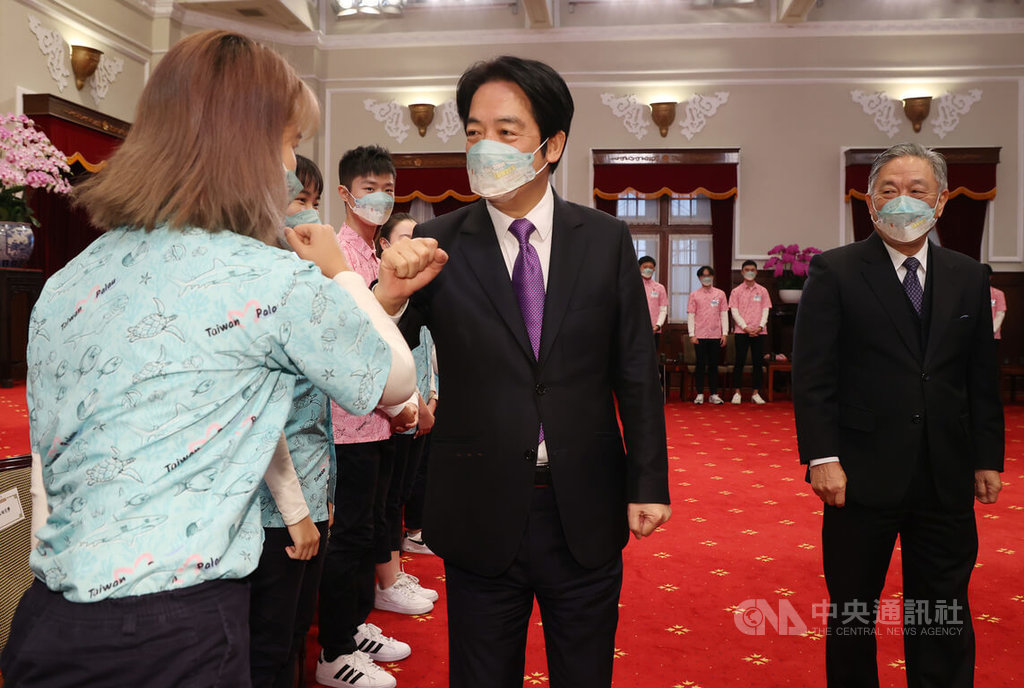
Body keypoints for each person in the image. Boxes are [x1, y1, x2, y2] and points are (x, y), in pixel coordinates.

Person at [0, 29, 433, 688]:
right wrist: (346, 276)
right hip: (175, 628)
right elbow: (396, 380)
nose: (290, 166)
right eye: (288, 143)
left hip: (49, 616)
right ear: (248, 149)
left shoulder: (69, 279)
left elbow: (49, 458)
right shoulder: (267, 278)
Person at [375, 55, 672, 688]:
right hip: (478, 503)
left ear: (552, 144)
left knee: (584, 672)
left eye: (506, 132)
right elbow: (377, 365)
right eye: (474, 132)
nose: (485, 146)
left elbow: (636, 370)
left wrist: (649, 481)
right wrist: (388, 297)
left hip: (584, 502)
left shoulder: (605, 239)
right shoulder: (436, 244)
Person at [792, 142, 1004, 688]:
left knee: (943, 608)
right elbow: (813, 374)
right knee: (854, 610)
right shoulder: (836, 270)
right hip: (858, 473)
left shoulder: (968, 274)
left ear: (941, 201)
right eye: (889, 190)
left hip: (945, 471)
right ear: (870, 202)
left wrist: (987, 458)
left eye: (916, 190)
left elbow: (979, 376)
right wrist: (822, 457)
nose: (902, 200)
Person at [317, 147, 431, 688]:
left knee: (372, 529)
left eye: (388, 188)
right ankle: (334, 651)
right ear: (345, 193)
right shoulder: (336, 256)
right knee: (350, 536)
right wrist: (399, 402)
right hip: (348, 421)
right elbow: (348, 348)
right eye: (369, 188)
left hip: (381, 419)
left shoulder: (377, 253)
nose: (380, 198)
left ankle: (356, 624)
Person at [248, 154, 336, 688]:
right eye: (299, 200)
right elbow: (262, 416)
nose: (310, 214)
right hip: (272, 507)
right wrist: (298, 512)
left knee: (296, 630)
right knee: (269, 640)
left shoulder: (302, 285)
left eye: (314, 202)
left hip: (312, 487)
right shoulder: (259, 293)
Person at [377, 213, 439, 557]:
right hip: (400, 409)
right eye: (405, 239)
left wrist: (433, 395)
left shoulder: (424, 291)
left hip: (423, 404)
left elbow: (428, 351)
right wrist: (417, 404)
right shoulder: (382, 290)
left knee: (411, 484)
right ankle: (390, 568)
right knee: (391, 494)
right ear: (385, 245)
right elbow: (393, 357)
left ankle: (411, 537)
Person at [728, 259, 770, 404]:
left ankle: (756, 393)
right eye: (747, 270)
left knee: (758, 362)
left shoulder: (763, 291)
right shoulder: (736, 291)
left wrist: (760, 326)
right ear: (742, 272)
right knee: (739, 361)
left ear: (756, 272)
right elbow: (734, 311)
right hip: (741, 332)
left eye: (752, 270)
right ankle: (737, 393)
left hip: (759, 332)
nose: (750, 272)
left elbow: (765, 310)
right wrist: (745, 327)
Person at [687, 265, 728, 404]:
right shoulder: (694, 295)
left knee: (713, 365)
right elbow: (691, 315)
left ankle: (714, 394)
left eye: (709, 275)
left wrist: (725, 333)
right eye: (703, 276)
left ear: (713, 277)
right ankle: (699, 393)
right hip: (699, 335)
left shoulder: (720, 294)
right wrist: (692, 334)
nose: (706, 278)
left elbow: (724, 314)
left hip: (715, 334)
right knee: (700, 364)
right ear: (699, 278)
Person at [639, 255, 668, 350]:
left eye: (650, 267)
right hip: (636, 329)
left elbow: (663, 309)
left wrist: (658, 326)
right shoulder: (633, 286)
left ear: (654, 269)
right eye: (645, 267)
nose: (648, 269)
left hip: (654, 329)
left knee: (652, 355)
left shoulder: (660, 287)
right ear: (639, 268)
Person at [984, 264, 1007, 340]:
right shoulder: (971, 293)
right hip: (974, 336)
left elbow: (1000, 314)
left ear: (990, 277)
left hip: (993, 336)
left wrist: (991, 331)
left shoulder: (998, 293)